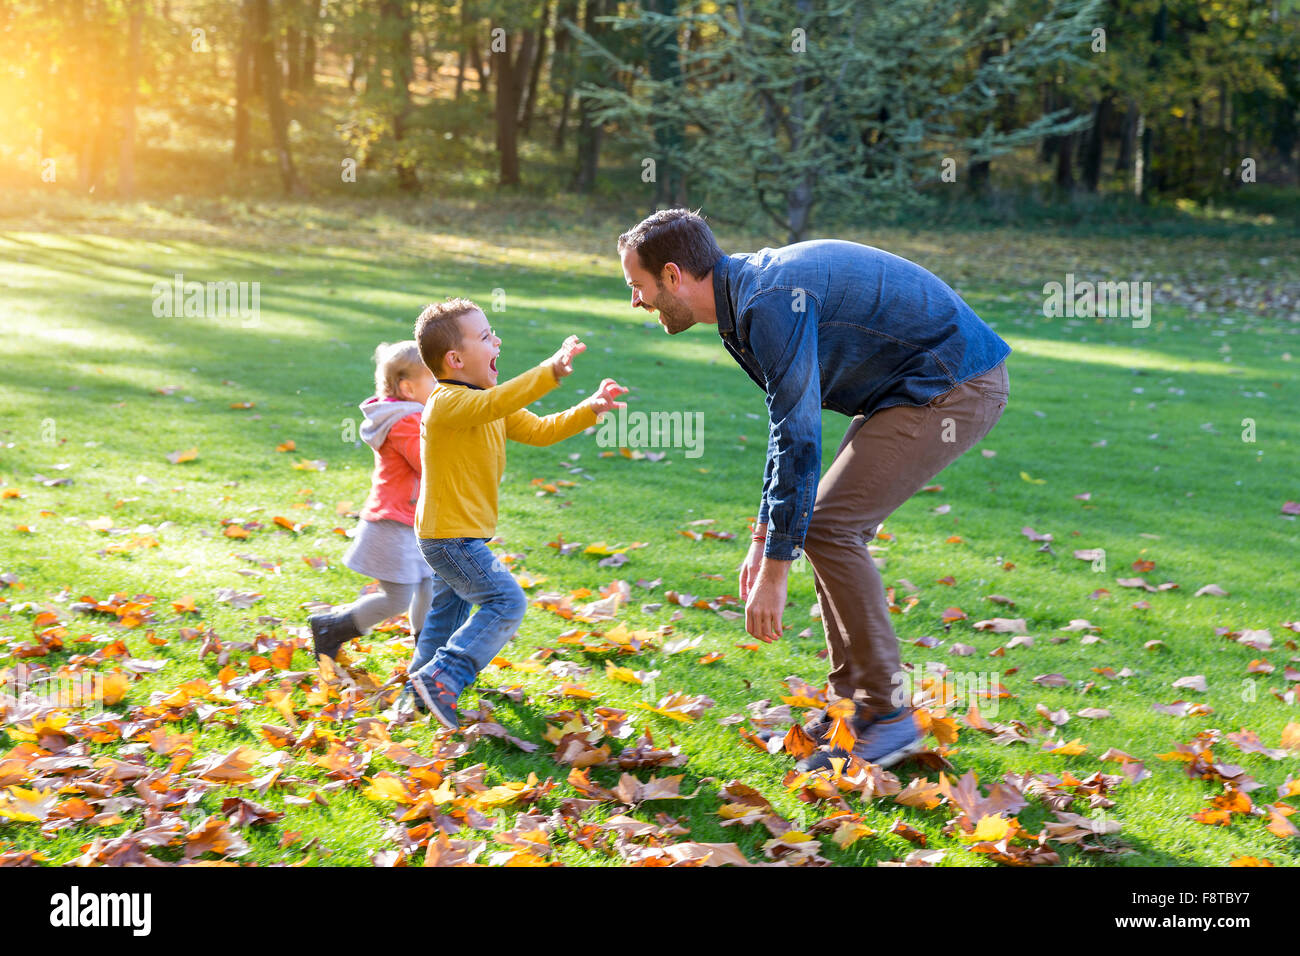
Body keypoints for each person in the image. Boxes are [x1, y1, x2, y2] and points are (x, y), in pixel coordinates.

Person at [616, 209, 1010, 770]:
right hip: (905, 387)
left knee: (830, 528)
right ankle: (853, 706)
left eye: (639, 287)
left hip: (954, 384)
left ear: (673, 276)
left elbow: (800, 435)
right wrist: (762, 536)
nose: (637, 301)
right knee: (827, 525)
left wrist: (776, 570)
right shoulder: (743, 303)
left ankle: (887, 714)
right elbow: (788, 430)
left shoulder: (767, 303)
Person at [402, 297, 627, 729]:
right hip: (450, 536)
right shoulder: (447, 403)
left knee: (447, 615)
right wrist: (551, 371)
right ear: (455, 358)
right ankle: (446, 677)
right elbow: (495, 405)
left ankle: (419, 690)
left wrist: (590, 409)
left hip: (454, 534)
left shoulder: (487, 400)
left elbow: (539, 430)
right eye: (486, 336)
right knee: (506, 600)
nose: (497, 341)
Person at [309, 341, 434, 661]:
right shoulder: (405, 421)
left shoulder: (412, 414)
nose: (442, 387)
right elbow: (427, 462)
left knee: (429, 584)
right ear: (407, 388)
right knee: (396, 598)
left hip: (413, 520)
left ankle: (428, 651)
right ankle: (330, 628)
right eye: (434, 380)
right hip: (393, 523)